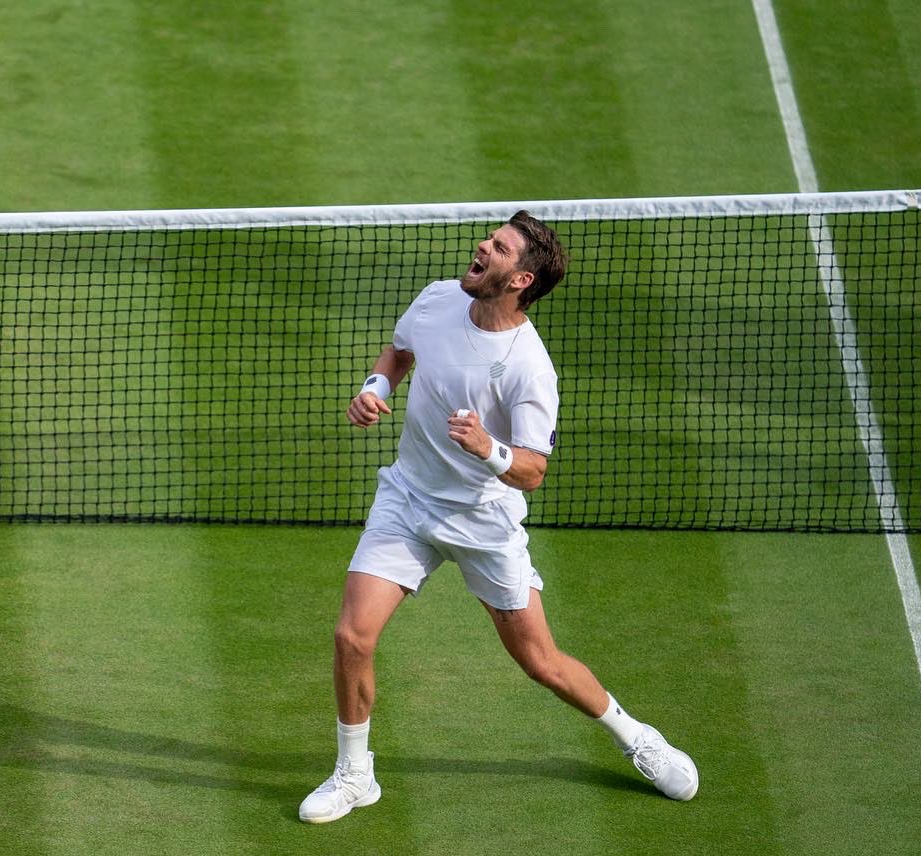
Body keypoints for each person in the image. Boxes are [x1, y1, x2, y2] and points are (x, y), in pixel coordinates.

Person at [298, 211, 698, 824]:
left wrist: (490, 449)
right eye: (491, 238)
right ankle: (355, 775)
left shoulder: (529, 368)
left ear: (520, 279)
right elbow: (401, 351)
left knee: (540, 661)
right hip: (408, 500)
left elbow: (533, 471)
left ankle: (636, 735)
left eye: (500, 248)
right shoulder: (438, 299)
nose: (483, 246)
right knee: (353, 635)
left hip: (484, 521)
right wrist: (376, 386)